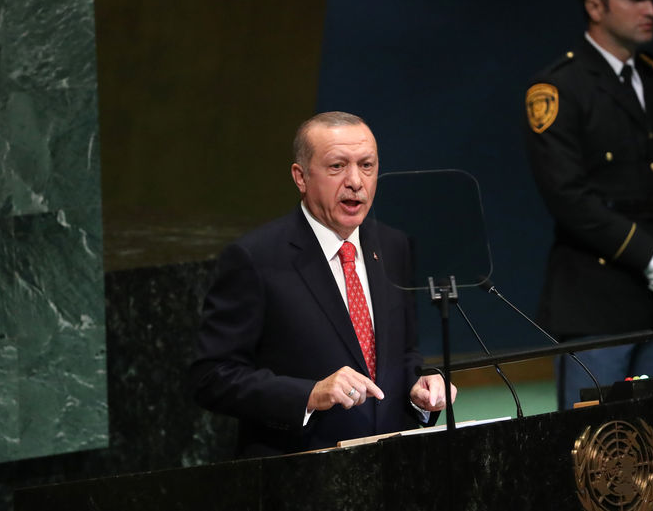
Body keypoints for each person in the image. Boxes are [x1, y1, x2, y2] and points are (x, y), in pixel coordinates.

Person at [190, 111, 455, 457]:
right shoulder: (255, 258)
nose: (355, 181)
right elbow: (211, 377)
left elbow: (403, 354)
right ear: (300, 177)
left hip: (393, 470)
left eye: (367, 166)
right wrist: (310, 394)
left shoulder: (394, 246)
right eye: (337, 167)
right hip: (301, 471)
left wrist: (419, 388)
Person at [525, 0, 653, 410]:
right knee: (594, 449)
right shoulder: (558, 87)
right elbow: (567, 197)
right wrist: (652, 255)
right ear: (595, 6)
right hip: (596, 298)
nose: (650, 9)